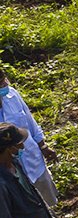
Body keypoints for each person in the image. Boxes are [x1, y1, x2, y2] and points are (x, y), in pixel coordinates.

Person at [0, 66, 58, 209]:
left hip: (32, 160)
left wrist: (43, 146)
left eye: (4, 80)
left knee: (48, 201)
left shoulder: (12, 95)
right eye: (1, 84)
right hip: (8, 170)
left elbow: (30, 123)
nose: (6, 85)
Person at [0, 122, 66, 218]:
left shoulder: (15, 163)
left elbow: (33, 193)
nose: (23, 147)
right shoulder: (2, 184)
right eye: (19, 144)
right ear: (9, 149)